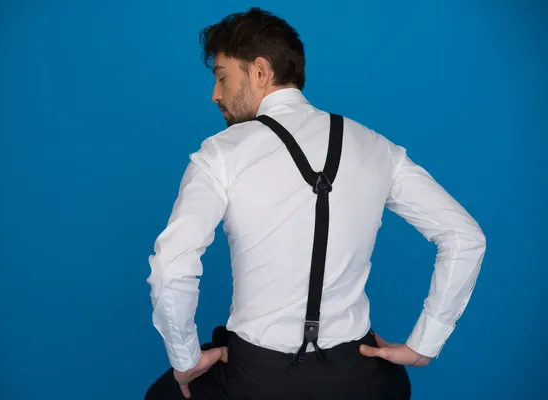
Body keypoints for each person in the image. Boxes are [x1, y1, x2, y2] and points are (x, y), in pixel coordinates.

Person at [144, 7, 486, 400]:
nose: (215, 94)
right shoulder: (375, 147)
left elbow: (171, 268)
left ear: (260, 71)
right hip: (358, 378)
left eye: (222, 77)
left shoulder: (222, 153)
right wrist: (426, 342)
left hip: (256, 379)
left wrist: (185, 359)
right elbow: (464, 236)